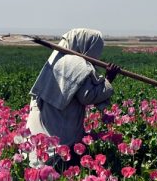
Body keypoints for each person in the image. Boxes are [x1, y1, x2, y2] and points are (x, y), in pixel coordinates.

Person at [25, 28, 120, 171]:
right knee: (58, 161)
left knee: (43, 157)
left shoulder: (60, 59)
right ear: (88, 45)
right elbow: (87, 96)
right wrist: (108, 79)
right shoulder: (75, 63)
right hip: (61, 126)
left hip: (50, 118)